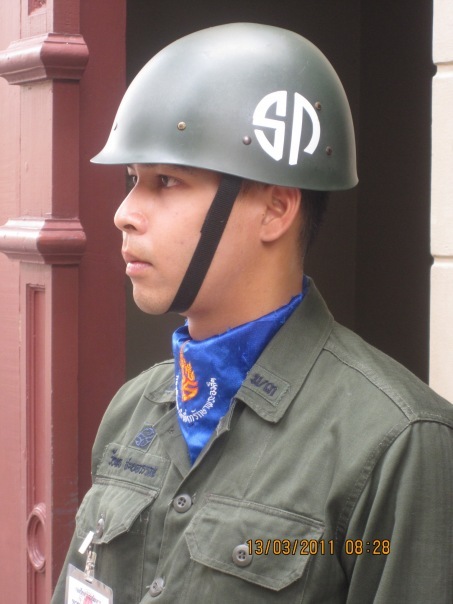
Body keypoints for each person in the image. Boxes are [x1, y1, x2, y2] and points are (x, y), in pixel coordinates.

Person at [52, 23, 453, 603]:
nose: (125, 212)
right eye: (132, 179)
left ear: (275, 209)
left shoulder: (399, 444)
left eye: (166, 181)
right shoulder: (131, 411)